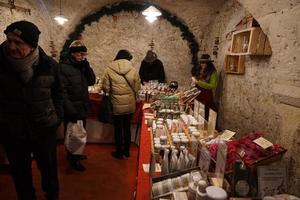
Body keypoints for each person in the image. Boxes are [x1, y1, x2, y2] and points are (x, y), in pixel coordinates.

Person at [0, 20, 63, 200]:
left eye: (18, 43)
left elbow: (59, 93)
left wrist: (56, 117)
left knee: (49, 171)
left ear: (32, 44)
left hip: (44, 129)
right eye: (9, 40)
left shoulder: (49, 65)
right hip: (12, 132)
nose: (11, 46)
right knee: (21, 176)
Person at [60, 40, 96, 171]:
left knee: (80, 133)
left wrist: (87, 67)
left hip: (82, 106)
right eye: (80, 54)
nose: (82, 57)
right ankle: (72, 160)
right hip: (72, 109)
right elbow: (61, 92)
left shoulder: (81, 66)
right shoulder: (63, 68)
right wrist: (70, 110)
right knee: (72, 134)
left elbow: (92, 81)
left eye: (84, 54)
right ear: (72, 54)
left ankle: (77, 154)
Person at [101, 50, 141, 159]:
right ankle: (127, 151)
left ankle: (119, 152)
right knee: (127, 127)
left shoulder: (109, 69)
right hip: (129, 104)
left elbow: (105, 88)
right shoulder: (133, 70)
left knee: (118, 129)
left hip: (116, 104)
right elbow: (138, 88)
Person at [191, 54, 218, 120]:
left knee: (204, 114)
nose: (202, 64)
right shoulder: (200, 70)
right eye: (201, 62)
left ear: (208, 63)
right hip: (198, 95)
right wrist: (193, 83)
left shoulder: (213, 72)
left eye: (204, 62)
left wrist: (198, 82)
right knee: (196, 114)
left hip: (206, 96)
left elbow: (213, 86)